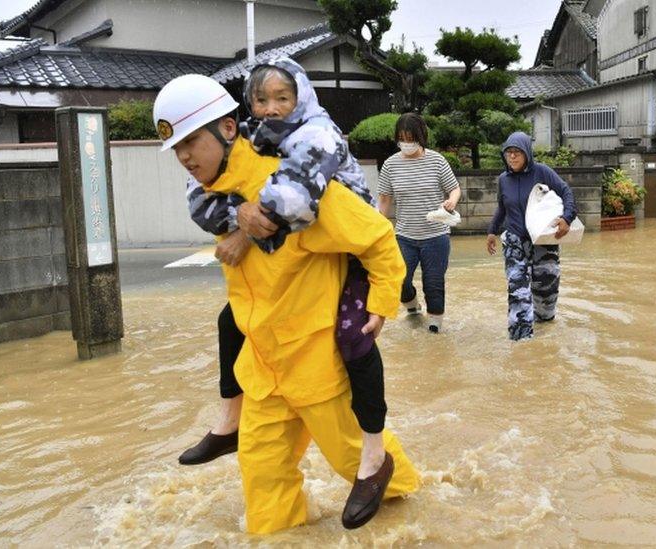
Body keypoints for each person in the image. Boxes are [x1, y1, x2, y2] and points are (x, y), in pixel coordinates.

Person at [153, 73, 419, 533]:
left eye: (192, 141)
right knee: (263, 489)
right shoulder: (218, 199)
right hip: (263, 372)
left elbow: (376, 234)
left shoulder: (297, 189)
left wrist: (380, 302)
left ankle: (424, 521)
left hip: (318, 369)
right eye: (176, 147)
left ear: (228, 130)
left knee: (372, 474)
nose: (184, 156)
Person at [486, 132, 577, 341]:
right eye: (509, 153)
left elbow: (566, 192)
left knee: (546, 292)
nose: (513, 157)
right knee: (518, 292)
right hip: (514, 240)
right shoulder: (503, 180)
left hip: (543, 241)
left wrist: (567, 218)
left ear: (527, 153)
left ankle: (544, 327)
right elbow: (502, 208)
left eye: (517, 152)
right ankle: (521, 342)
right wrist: (492, 231)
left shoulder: (542, 172)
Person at [377, 113, 461, 333]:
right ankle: (413, 306)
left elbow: (454, 188)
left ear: (421, 136)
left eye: (411, 138)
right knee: (399, 280)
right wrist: (377, 228)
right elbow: (385, 199)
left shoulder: (436, 160)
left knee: (434, 284)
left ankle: (435, 329)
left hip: (436, 236)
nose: (406, 143)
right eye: (402, 138)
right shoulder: (390, 165)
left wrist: (451, 201)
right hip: (404, 236)